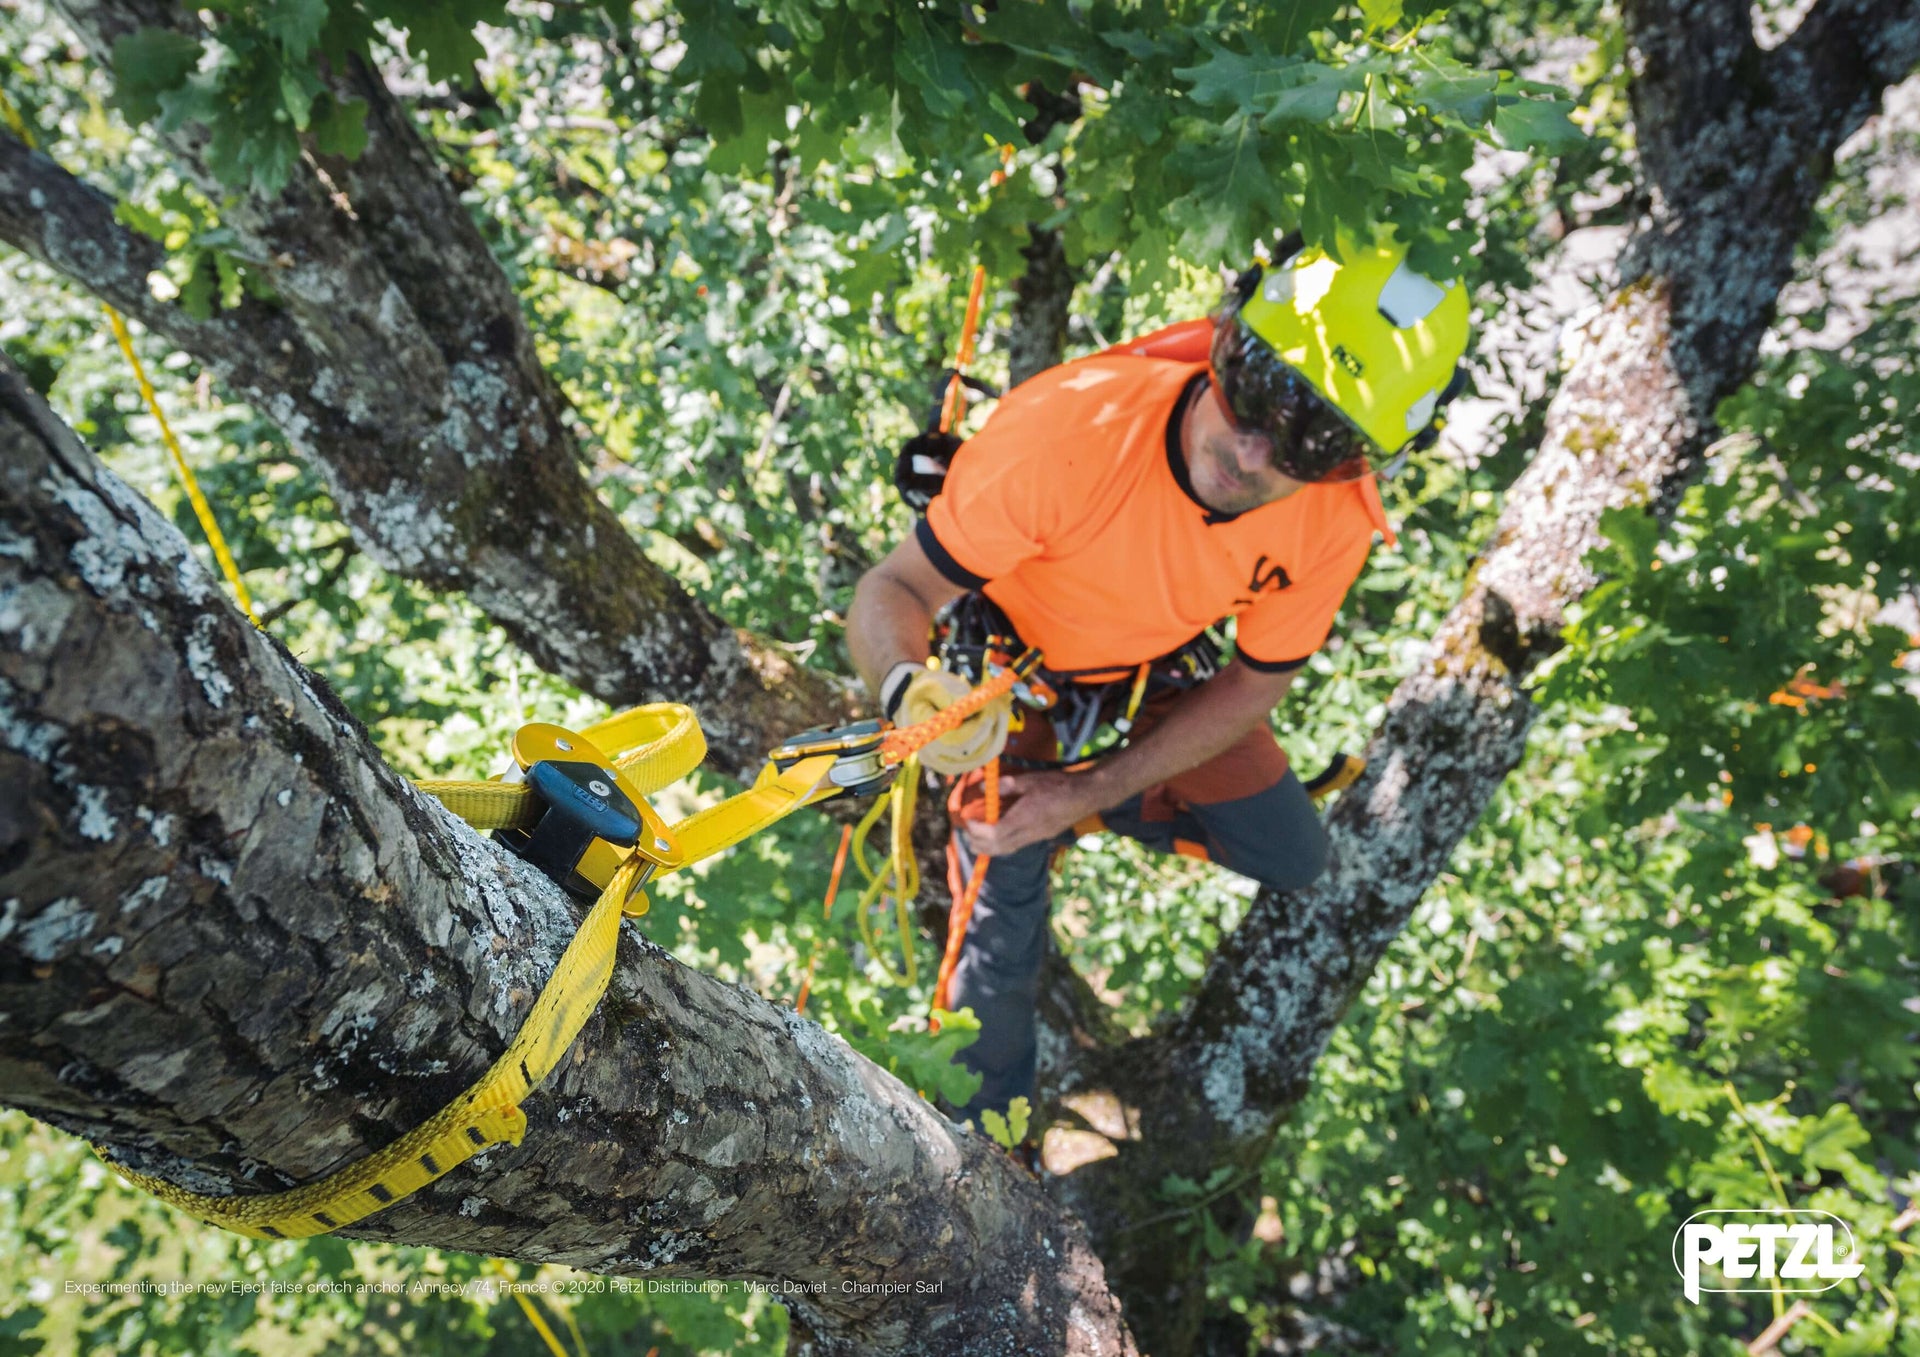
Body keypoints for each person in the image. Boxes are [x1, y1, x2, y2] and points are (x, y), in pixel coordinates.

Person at [846, 233, 1471, 1129]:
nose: (1253, 452)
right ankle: (980, 1145)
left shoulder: (1331, 517)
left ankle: (1071, 804)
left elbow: (1255, 684)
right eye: (1256, 391)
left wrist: (1086, 790)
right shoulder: (1071, 432)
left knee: (1294, 852)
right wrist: (911, 687)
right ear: (1224, 333)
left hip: (1149, 677)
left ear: (1355, 462)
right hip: (1007, 667)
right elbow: (894, 587)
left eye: (1314, 442)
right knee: (1001, 890)